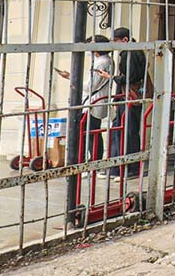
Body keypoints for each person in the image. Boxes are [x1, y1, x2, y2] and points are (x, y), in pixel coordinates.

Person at [58, 35, 114, 162]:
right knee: (94, 133)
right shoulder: (108, 60)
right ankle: (94, 160)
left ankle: (89, 161)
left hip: (93, 102)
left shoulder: (101, 63)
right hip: (98, 101)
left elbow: (90, 86)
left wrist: (71, 77)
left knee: (88, 134)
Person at [109, 27, 147, 179]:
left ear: (124, 40)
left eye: (116, 41)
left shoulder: (129, 53)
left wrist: (111, 77)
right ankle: (117, 167)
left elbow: (129, 77)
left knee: (127, 131)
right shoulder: (137, 51)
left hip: (129, 97)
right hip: (128, 96)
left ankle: (129, 168)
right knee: (121, 129)